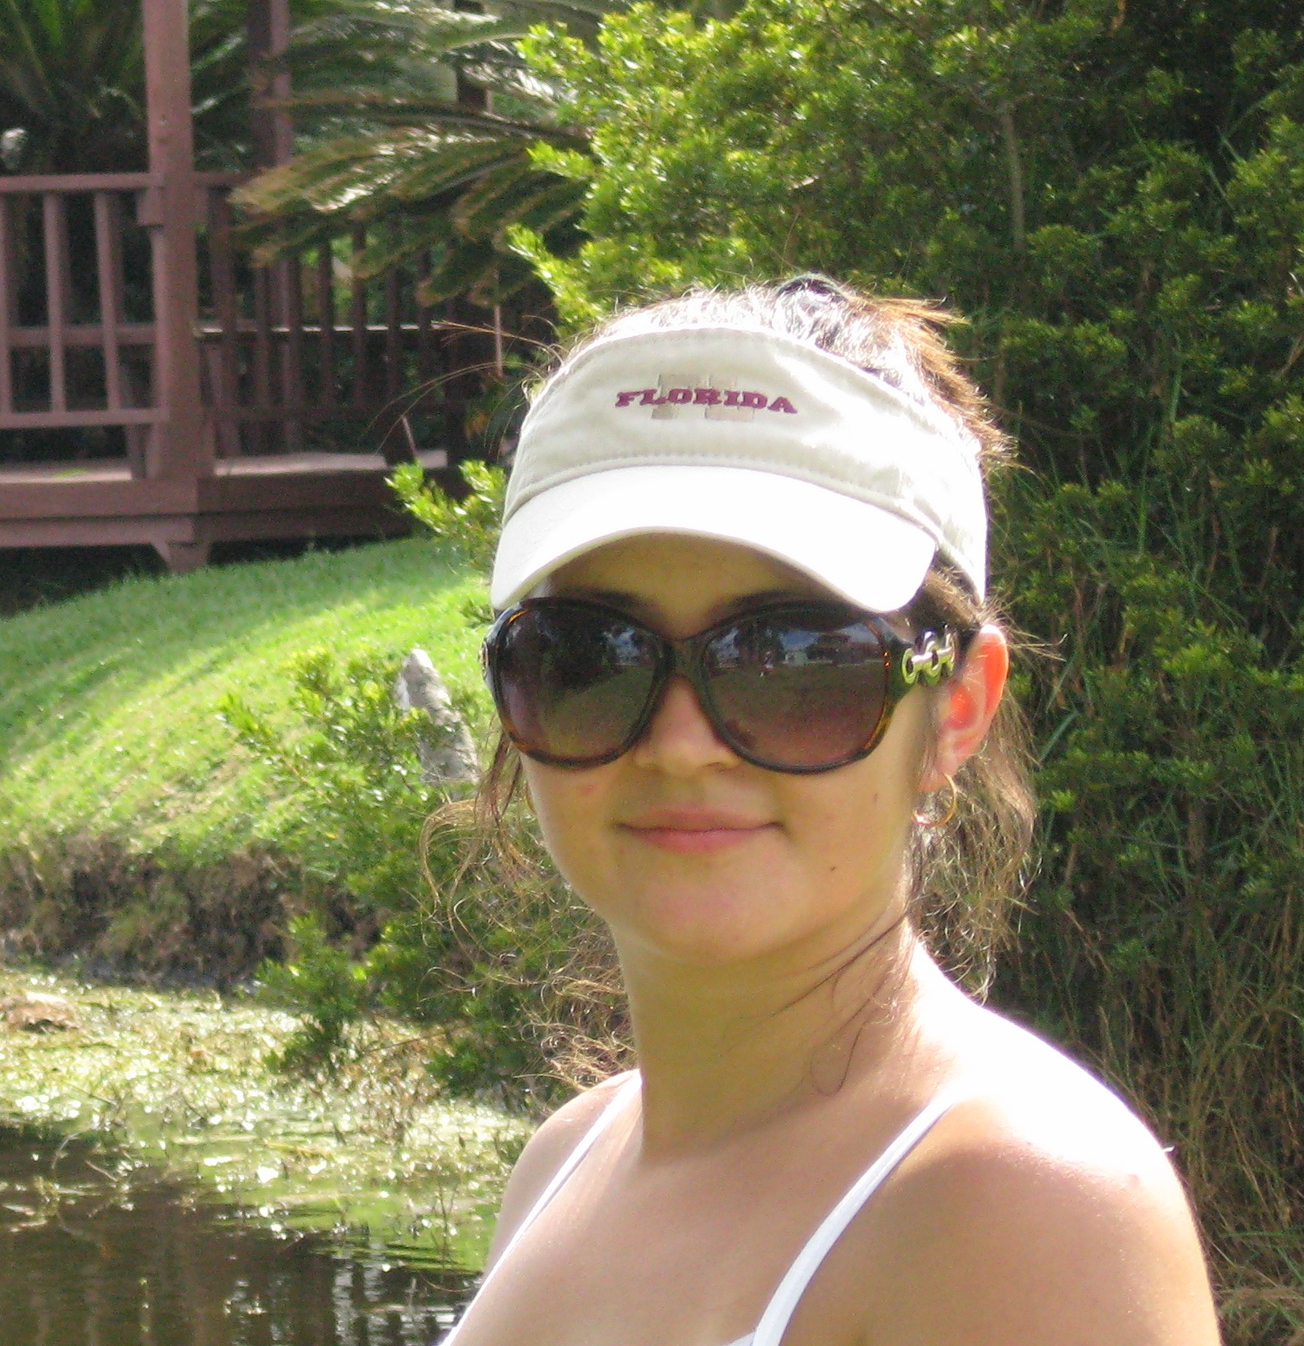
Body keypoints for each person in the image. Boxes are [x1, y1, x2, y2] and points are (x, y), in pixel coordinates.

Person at [446, 278, 1219, 1346]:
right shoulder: (562, 1163)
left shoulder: (1022, 1206)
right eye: (588, 656)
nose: (681, 744)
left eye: (796, 661)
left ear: (957, 710)